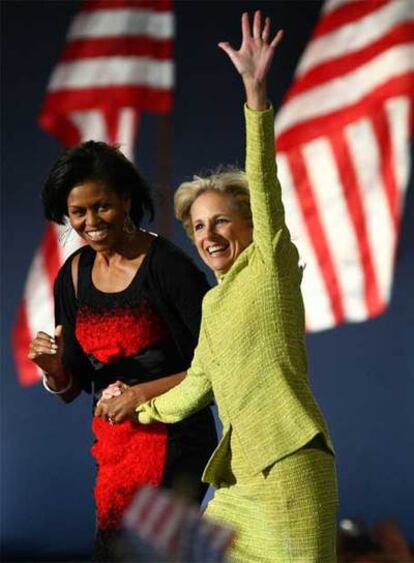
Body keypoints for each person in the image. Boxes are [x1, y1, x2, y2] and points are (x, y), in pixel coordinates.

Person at [128, 11, 338, 562]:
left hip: (292, 465)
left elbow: (263, 178)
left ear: (247, 223)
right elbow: (198, 384)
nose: (208, 234)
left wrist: (255, 93)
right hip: (237, 483)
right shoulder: (213, 302)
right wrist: (137, 408)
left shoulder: (269, 264)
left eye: (220, 220)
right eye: (197, 226)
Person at [27, 140, 217, 561]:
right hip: (116, 447)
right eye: (79, 212)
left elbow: (218, 366)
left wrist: (140, 394)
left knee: (150, 554)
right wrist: (54, 369)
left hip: (178, 442)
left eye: (102, 207)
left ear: (127, 201)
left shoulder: (169, 268)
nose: (91, 221)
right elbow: (72, 387)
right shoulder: (73, 276)